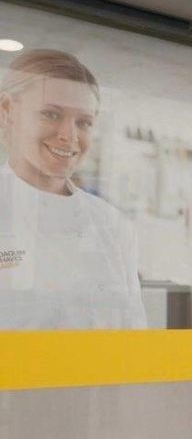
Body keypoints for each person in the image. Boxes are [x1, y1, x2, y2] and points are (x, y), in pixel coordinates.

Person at [0, 49, 146, 330]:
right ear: (7, 111)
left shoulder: (113, 226)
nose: (69, 136)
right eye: (51, 114)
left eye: (83, 122)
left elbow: (134, 334)